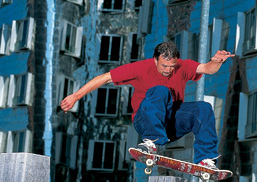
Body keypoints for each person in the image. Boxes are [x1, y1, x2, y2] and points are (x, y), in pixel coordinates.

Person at [60, 41, 234, 172]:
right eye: (164, 66)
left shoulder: (183, 66)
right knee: (160, 91)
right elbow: (105, 77)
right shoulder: (141, 68)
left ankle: (206, 160)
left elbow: (207, 69)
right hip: (145, 121)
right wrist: (76, 96)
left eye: (172, 66)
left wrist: (216, 61)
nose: (168, 70)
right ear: (155, 60)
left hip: (171, 124)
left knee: (203, 108)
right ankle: (151, 142)